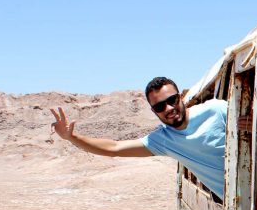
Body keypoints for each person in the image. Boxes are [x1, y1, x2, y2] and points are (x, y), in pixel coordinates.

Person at [49, 77, 227, 199]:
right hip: (235, 203)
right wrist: (71, 137)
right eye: (159, 107)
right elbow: (114, 148)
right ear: (153, 111)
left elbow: (253, 121)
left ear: (181, 97)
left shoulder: (216, 110)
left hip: (255, 188)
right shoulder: (164, 140)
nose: (168, 108)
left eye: (172, 100)